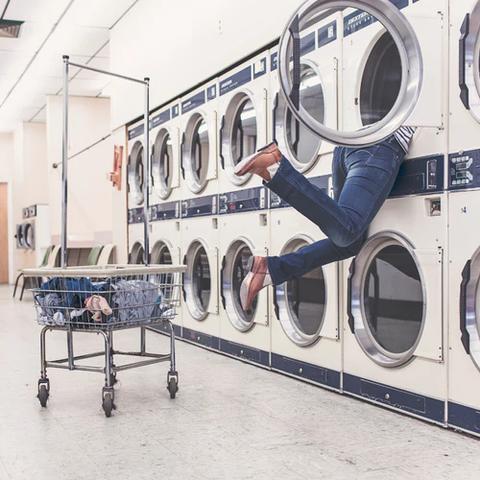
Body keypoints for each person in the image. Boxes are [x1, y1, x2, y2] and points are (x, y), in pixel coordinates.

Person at [234, 127, 416, 312]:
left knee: (350, 242)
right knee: (347, 231)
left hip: (350, 147)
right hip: (381, 147)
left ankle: (271, 270)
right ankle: (275, 168)